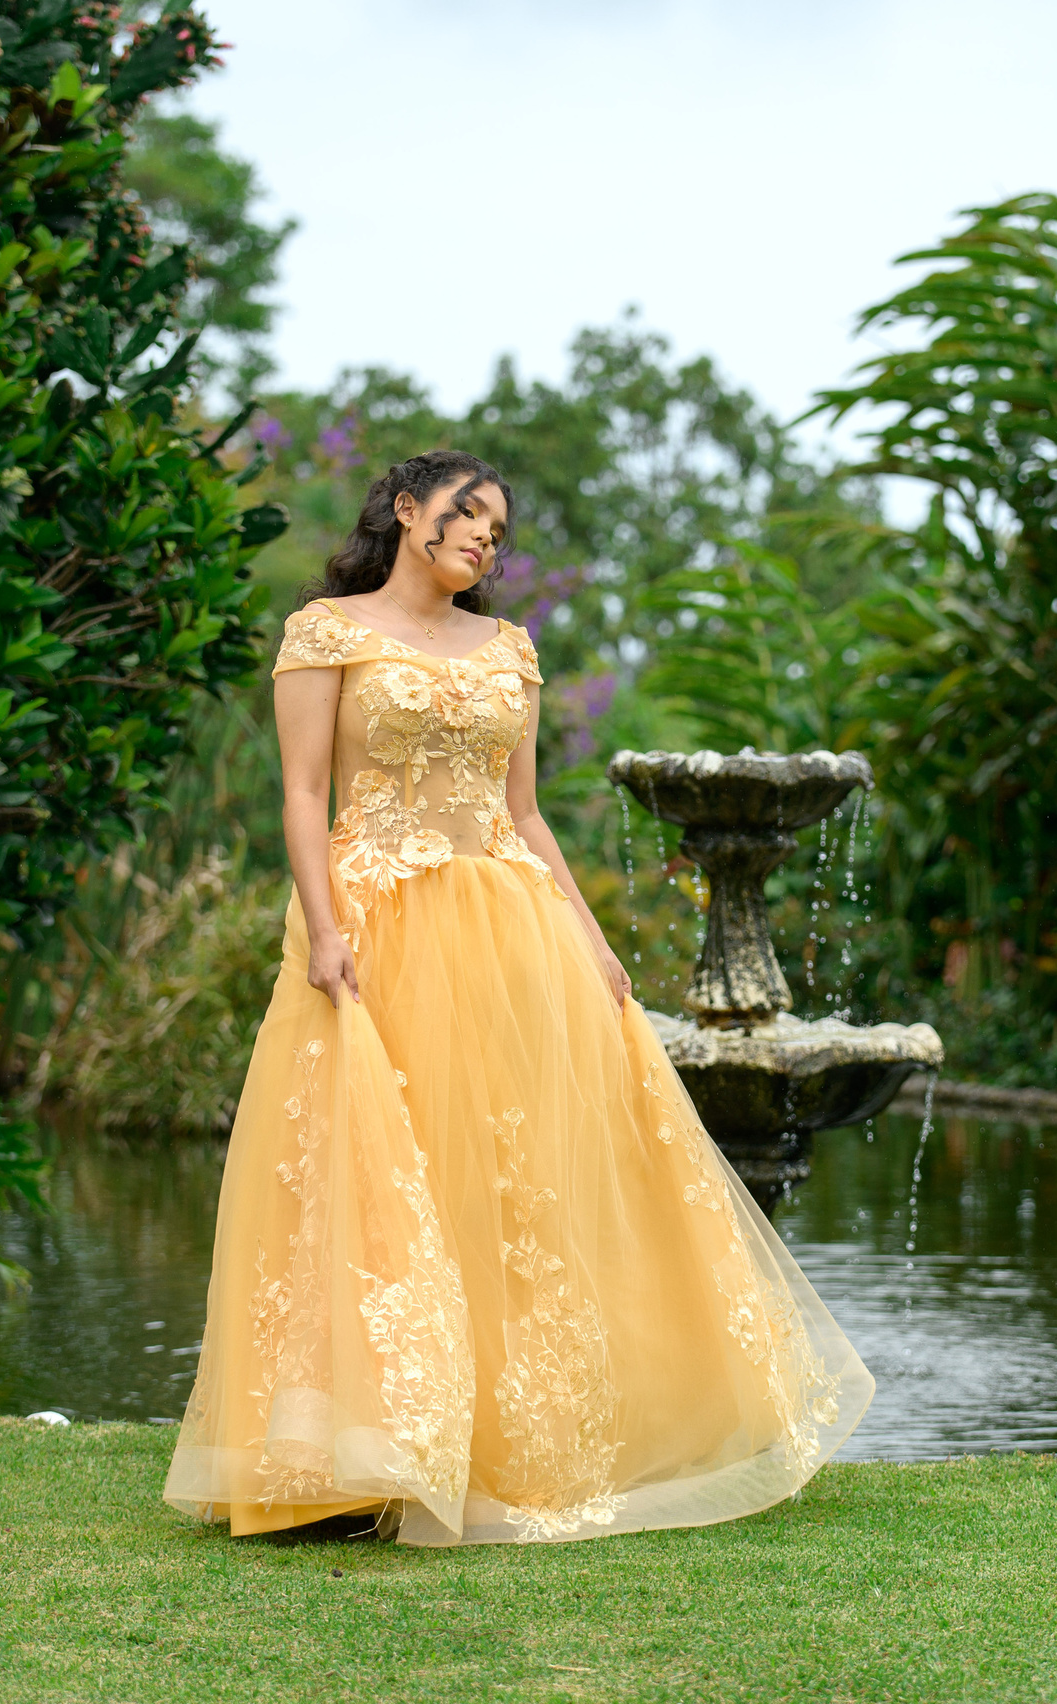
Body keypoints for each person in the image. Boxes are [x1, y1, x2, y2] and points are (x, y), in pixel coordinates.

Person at [162, 450, 872, 1546]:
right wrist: (324, 928)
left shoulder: (510, 650)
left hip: (505, 925)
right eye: (469, 515)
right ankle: (338, 1464)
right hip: (375, 917)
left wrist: (592, 943)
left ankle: (486, 1449)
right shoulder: (327, 631)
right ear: (407, 512)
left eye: (499, 526)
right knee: (361, 1179)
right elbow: (304, 795)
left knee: (501, 1181)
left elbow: (525, 812)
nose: (487, 538)